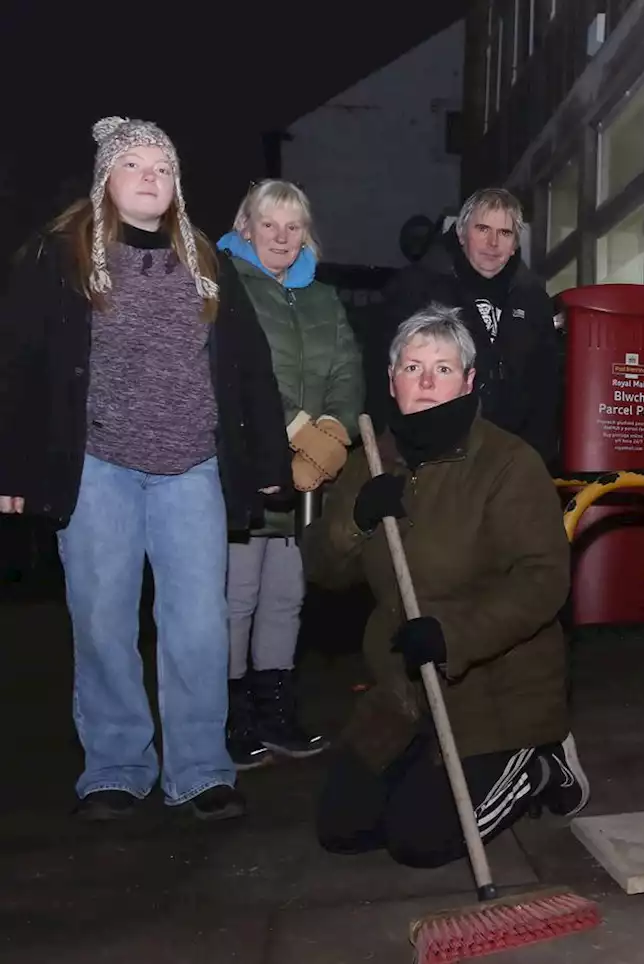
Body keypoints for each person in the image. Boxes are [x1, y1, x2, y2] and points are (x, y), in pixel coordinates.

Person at [0, 117, 290, 821]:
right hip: (97, 468)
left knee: (197, 625)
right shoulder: (59, 257)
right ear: (106, 179)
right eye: (134, 164)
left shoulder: (207, 262)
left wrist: (269, 460)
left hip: (192, 467)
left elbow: (250, 367)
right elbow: (18, 365)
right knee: (102, 621)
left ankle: (199, 770)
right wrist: (13, 463)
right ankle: (116, 767)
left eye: (163, 165)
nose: (151, 175)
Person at [309, 306, 588, 868]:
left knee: (421, 841)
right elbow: (323, 569)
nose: (428, 382)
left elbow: (543, 580)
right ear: (392, 382)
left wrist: (452, 635)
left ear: (469, 380)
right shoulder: (371, 462)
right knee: (343, 828)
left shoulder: (507, 463)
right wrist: (356, 520)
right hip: (403, 693)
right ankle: (421, 760)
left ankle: (541, 763)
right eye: (412, 368)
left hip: (493, 693)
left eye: (443, 368)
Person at [216, 180, 364, 769]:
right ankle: (228, 718)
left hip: (311, 472)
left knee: (286, 596)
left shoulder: (324, 298)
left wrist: (333, 430)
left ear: (307, 233)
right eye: (268, 224)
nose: (281, 237)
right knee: (237, 595)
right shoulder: (224, 286)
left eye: (293, 226)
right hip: (248, 465)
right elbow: (228, 374)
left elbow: (350, 368)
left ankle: (275, 714)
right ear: (246, 226)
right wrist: (297, 427)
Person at [368, 188, 560, 466]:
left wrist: (538, 459)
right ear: (460, 234)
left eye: (505, 233)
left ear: (516, 244)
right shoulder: (416, 289)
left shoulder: (534, 300)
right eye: (483, 228)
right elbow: (380, 367)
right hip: (434, 457)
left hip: (513, 460)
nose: (493, 242)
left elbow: (546, 386)